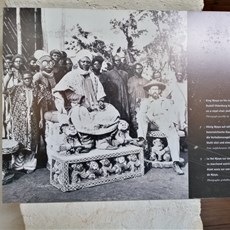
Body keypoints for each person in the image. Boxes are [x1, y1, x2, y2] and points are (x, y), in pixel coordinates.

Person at [53, 50, 120, 151]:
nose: (85, 64)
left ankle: (102, 141)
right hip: (77, 105)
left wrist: (101, 101)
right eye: (83, 61)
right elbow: (67, 93)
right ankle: (87, 143)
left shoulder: (93, 76)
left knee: (111, 112)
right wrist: (82, 101)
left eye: (88, 62)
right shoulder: (71, 75)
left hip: (95, 104)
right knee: (81, 114)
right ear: (78, 62)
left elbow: (100, 91)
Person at [136, 80, 184, 175]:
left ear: (159, 91)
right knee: (141, 115)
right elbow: (142, 114)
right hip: (150, 122)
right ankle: (142, 138)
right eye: (152, 89)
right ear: (149, 91)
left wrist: (174, 125)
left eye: (156, 89)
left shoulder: (165, 101)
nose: (155, 91)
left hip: (163, 122)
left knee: (173, 134)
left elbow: (171, 113)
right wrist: (149, 118)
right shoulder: (146, 102)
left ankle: (175, 162)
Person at [3, 71, 44, 173]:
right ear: (22, 79)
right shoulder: (16, 89)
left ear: (31, 79)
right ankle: (18, 165)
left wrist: (41, 119)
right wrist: (8, 76)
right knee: (20, 142)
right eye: (25, 78)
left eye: (29, 78)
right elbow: (3, 90)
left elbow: (41, 106)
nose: (27, 80)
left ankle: (29, 165)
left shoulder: (36, 90)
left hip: (32, 121)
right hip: (19, 121)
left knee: (32, 142)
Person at [104, 54, 130, 122]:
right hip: (115, 96)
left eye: (119, 60)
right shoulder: (108, 73)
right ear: (113, 61)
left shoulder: (125, 74)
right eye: (116, 60)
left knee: (125, 113)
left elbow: (127, 86)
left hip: (124, 96)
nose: (117, 62)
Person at [127, 63, 149, 137]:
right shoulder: (130, 80)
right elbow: (129, 93)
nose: (139, 70)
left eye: (140, 68)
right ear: (134, 69)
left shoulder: (146, 81)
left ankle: (143, 138)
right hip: (133, 103)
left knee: (143, 120)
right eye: (137, 68)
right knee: (134, 120)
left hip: (143, 104)